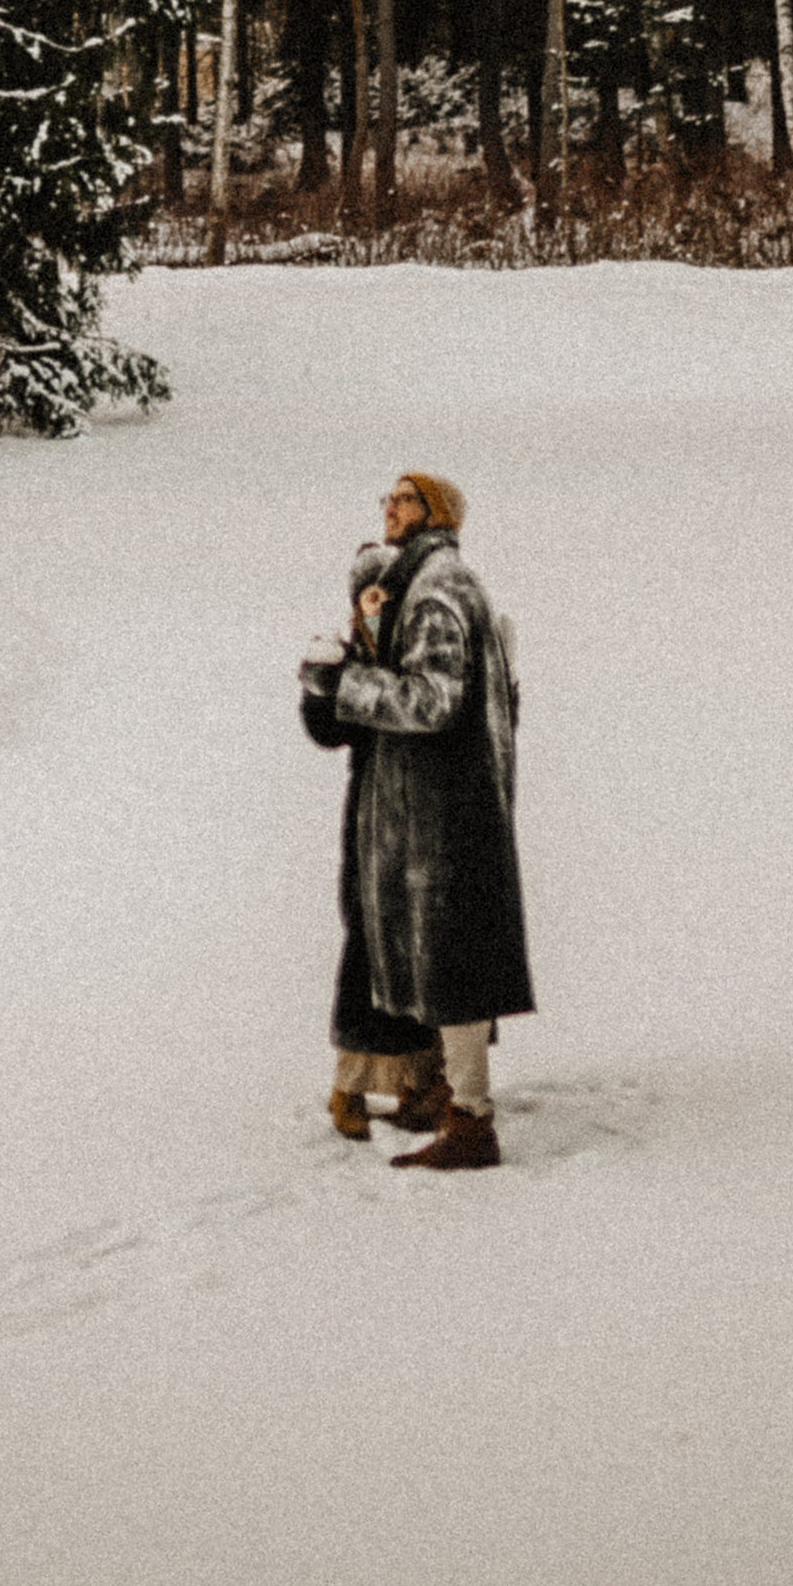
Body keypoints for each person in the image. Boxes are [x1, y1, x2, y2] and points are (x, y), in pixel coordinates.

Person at [298, 470, 533, 1172]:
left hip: (443, 810)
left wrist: (345, 683)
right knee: (442, 961)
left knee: (453, 964)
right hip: (438, 804)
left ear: (435, 513)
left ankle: (471, 1122)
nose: (389, 509)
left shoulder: (437, 592)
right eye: (388, 499)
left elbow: (434, 701)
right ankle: (442, 1097)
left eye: (404, 499)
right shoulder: (428, 585)